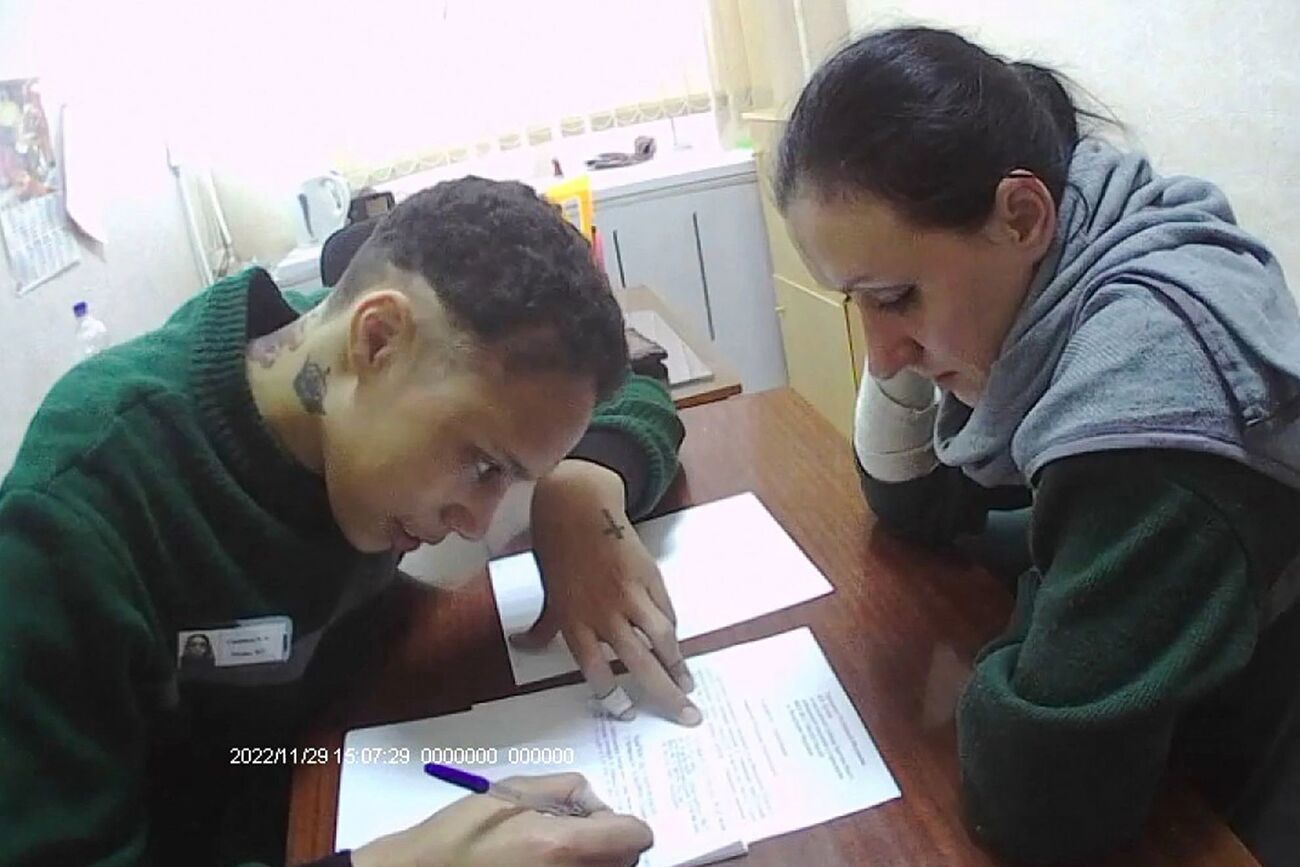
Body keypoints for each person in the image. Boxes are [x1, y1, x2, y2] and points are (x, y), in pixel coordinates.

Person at [0, 177, 702, 866]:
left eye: (516, 477)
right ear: (377, 341)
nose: (476, 523)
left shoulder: (328, 348)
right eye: (484, 464)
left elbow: (626, 384)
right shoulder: (71, 523)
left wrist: (577, 489)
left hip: (337, 754)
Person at [774, 26, 1300, 867]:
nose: (877, 353)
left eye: (896, 296)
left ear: (1022, 214)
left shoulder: (1145, 404)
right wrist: (908, 321)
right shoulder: (1071, 230)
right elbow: (914, 501)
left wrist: (1032, 609)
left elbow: (1038, 799)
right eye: (856, 304)